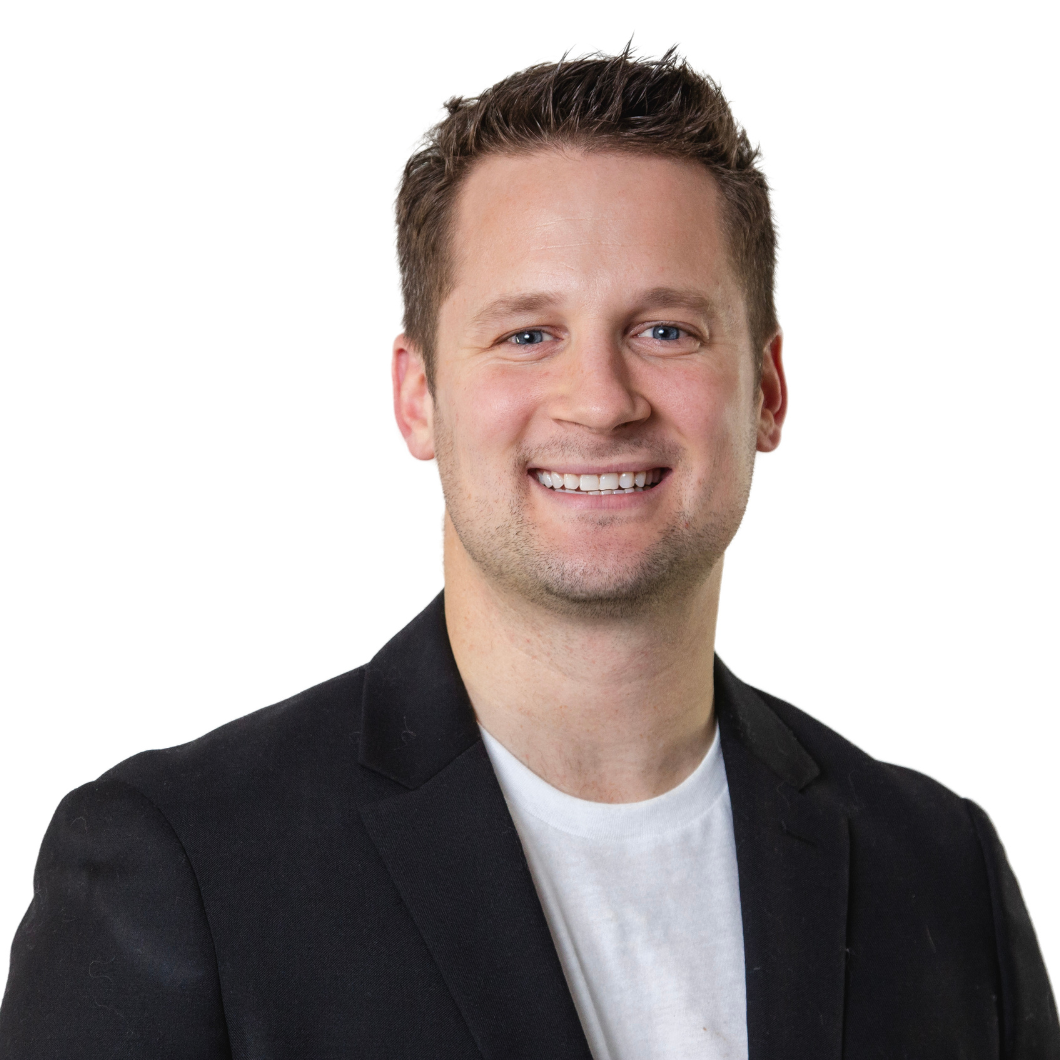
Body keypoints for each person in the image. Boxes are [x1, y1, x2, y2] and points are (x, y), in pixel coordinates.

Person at [1, 48, 1056, 1060]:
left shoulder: (942, 872)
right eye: (527, 334)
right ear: (418, 396)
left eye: (666, 330)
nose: (599, 401)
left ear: (767, 391)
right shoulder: (178, 866)